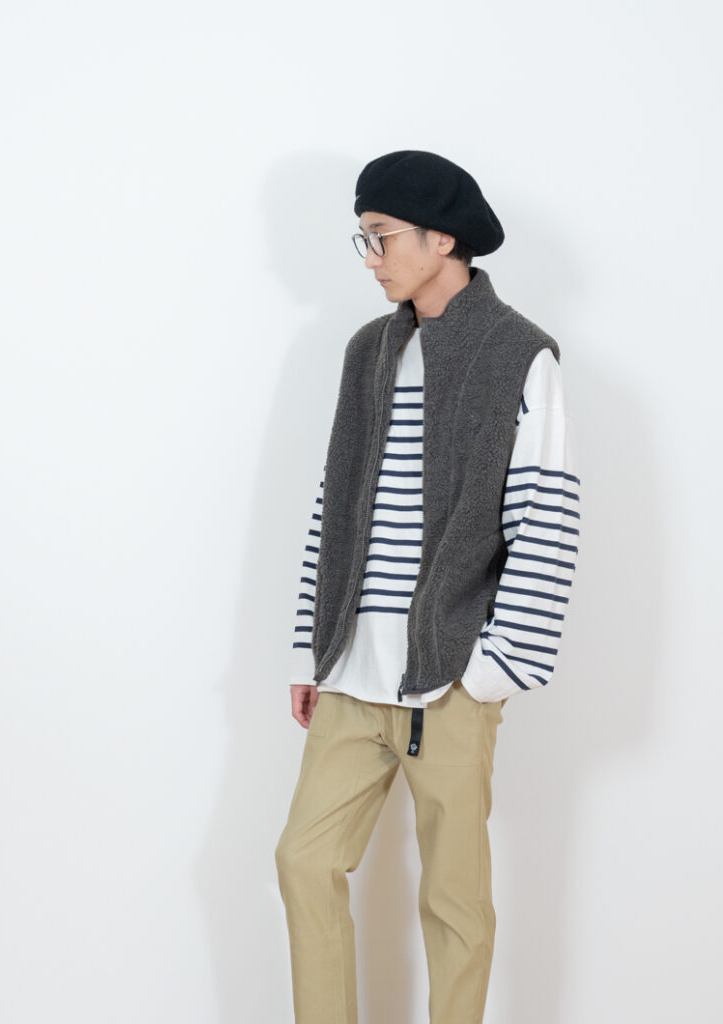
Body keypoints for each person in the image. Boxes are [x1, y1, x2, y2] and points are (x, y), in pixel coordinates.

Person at [275, 150, 581, 1024]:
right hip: (351, 673)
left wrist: (493, 668)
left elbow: (546, 517)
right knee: (303, 861)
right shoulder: (369, 351)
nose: (370, 258)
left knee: (454, 900)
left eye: (382, 237)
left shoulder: (519, 353)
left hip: (450, 677)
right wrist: (309, 648)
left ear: (441, 238)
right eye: (364, 240)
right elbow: (335, 505)